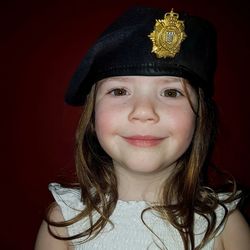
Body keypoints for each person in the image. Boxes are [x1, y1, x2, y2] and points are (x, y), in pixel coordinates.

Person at [35, 6, 250, 250]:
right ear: (92, 117)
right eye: (119, 91)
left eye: (171, 92)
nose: (144, 111)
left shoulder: (225, 227)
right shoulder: (64, 223)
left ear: (199, 117)